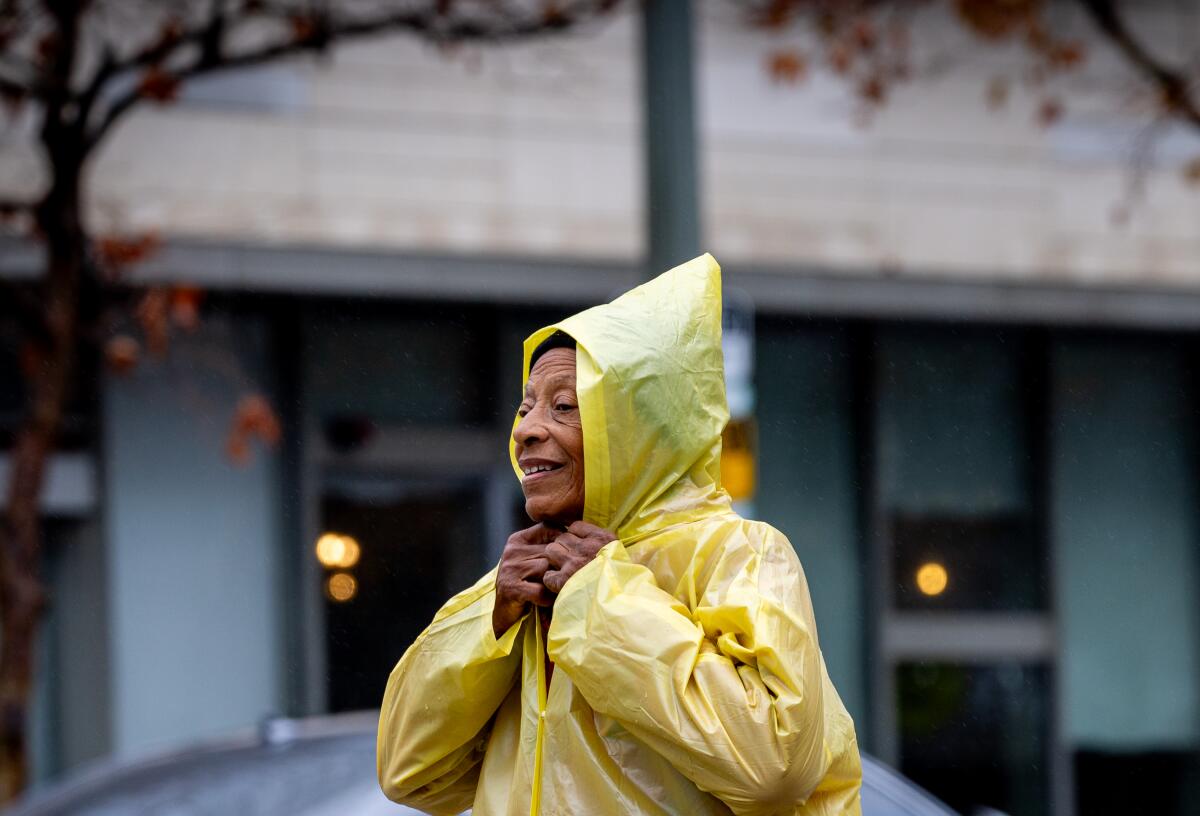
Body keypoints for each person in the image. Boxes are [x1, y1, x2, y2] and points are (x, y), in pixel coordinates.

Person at [377, 254, 862, 815]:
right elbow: (407, 775)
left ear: (638, 433)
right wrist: (491, 621)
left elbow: (775, 765)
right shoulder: (523, 585)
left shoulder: (740, 555)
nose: (528, 430)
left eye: (564, 408)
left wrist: (603, 601)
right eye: (526, 407)